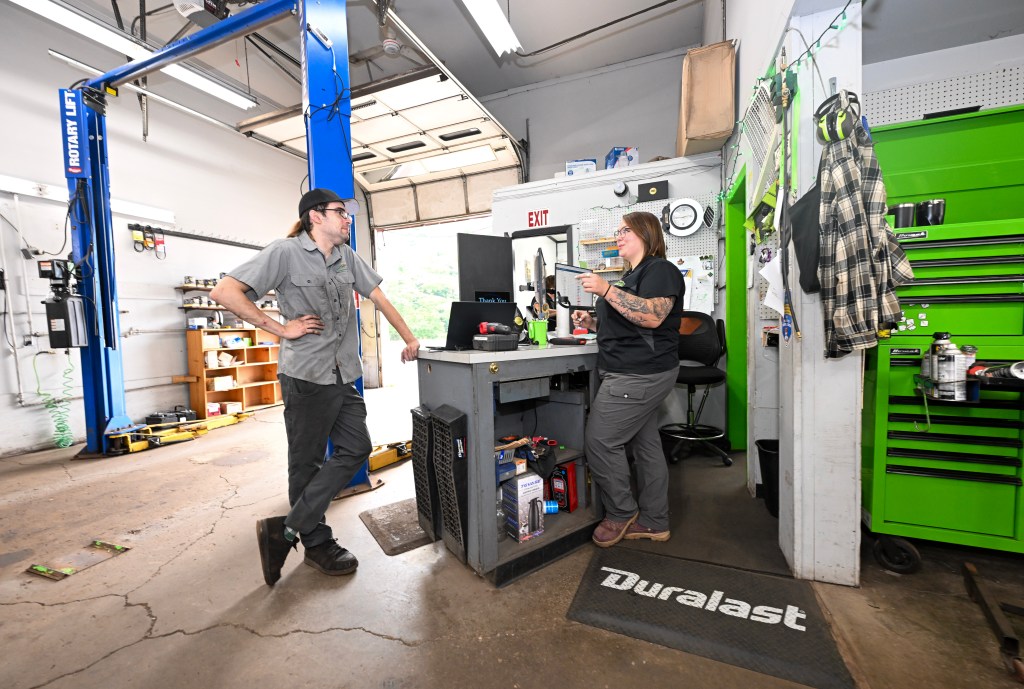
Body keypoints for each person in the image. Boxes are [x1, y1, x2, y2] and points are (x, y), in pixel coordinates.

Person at [211, 188, 420, 585]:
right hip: (306, 376)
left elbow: (379, 297)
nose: (347, 219)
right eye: (340, 212)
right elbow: (224, 292)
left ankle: (286, 529)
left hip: (343, 374)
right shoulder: (284, 252)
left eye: (348, 213)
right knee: (305, 463)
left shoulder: (346, 257)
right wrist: (280, 329)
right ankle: (317, 541)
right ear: (315, 217)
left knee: (356, 448)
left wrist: (410, 338)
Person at [571, 211, 684, 547]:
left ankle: (621, 513)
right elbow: (625, 323)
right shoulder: (629, 276)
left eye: (626, 231)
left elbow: (651, 317)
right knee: (646, 445)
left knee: (600, 442)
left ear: (647, 235)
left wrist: (605, 290)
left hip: (638, 373)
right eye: (617, 231)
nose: (618, 236)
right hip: (632, 369)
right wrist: (591, 322)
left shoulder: (659, 269)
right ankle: (654, 522)